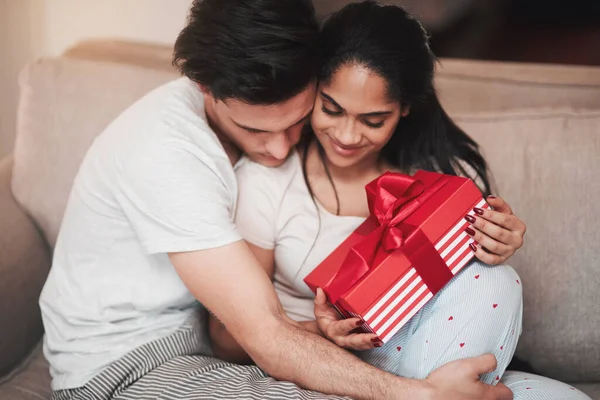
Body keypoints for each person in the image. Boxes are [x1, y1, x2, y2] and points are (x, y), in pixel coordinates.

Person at [39, 1, 516, 400]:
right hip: (121, 363)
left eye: (297, 121)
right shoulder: (165, 154)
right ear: (205, 88)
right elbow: (263, 335)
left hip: (195, 343)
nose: (279, 150)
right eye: (254, 130)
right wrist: (423, 396)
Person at [210, 2, 592, 400]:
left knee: (510, 300)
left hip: (427, 347)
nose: (347, 135)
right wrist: (320, 331)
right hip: (338, 366)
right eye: (331, 109)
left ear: (404, 108)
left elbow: (467, 297)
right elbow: (225, 337)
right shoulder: (268, 182)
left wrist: (496, 242)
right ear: (311, 90)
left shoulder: (434, 179)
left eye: (373, 120)